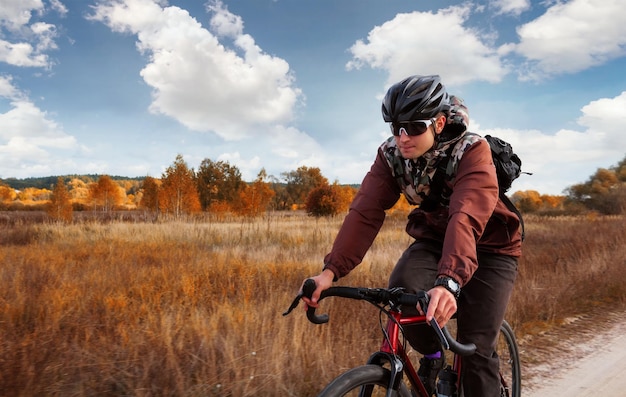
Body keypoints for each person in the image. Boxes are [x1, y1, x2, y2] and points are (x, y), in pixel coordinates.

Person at [301, 75, 522, 397]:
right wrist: (329, 272)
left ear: (439, 122)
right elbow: (365, 212)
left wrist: (448, 281)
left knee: (476, 350)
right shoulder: (390, 155)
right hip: (434, 237)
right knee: (404, 289)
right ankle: (432, 358)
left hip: (491, 247)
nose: (403, 137)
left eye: (415, 126)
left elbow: (466, 216)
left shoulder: (472, 150)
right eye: (396, 127)